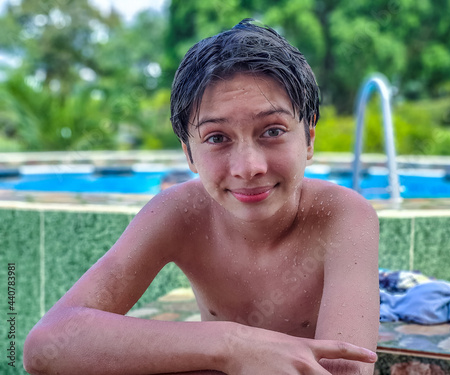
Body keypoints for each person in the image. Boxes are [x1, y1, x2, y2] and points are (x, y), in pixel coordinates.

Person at [24, 19, 380, 375]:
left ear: (309, 139)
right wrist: (232, 344)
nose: (248, 167)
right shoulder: (179, 213)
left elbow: (347, 370)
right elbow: (47, 346)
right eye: (216, 138)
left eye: (272, 131)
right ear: (189, 154)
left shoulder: (343, 216)